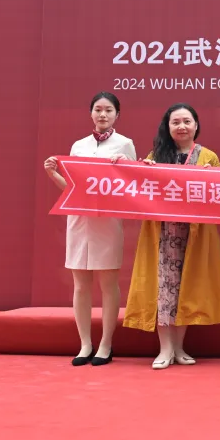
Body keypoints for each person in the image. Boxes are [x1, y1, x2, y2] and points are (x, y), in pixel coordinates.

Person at [123, 104, 220, 369]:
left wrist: (212, 178)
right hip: (162, 234)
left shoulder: (208, 157)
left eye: (187, 121)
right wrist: (143, 170)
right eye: (176, 122)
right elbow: (141, 191)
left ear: (196, 125)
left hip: (194, 234)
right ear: (168, 127)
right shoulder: (156, 155)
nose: (182, 126)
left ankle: (179, 347)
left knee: (187, 289)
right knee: (163, 289)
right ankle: (165, 349)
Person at [43, 91, 137, 366]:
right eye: (98, 109)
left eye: (108, 110)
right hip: (79, 221)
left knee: (108, 284)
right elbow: (73, 189)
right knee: (81, 285)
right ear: (91, 113)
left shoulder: (125, 144)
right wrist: (52, 174)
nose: (103, 114)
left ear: (117, 114)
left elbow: (132, 186)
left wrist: (125, 166)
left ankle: (106, 344)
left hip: (107, 221)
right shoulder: (79, 146)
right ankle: (85, 343)